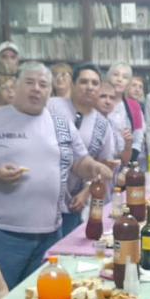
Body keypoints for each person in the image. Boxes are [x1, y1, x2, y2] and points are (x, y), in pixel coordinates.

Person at [0, 64, 113, 284]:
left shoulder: (60, 124)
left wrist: (94, 168)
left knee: (43, 295)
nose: (36, 89)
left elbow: (79, 161)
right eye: (30, 82)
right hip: (3, 234)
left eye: (43, 84)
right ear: (16, 86)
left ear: (50, 91)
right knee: (2, 298)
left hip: (51, 232)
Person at [47, 63, 117, 234]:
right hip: (43, 197)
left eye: (94, 83)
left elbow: (105, 166)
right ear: (73, 84)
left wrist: (86, 192)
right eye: (84, 82)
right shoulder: (52, 106)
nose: (89, 87)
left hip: (73, 202)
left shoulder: (102, 125)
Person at [106, 62, 146, 168]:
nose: (119, 79)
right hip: (101, 163)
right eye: (116, 75)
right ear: (108, 78)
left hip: (126, 164)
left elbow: (138, 138)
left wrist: (128, 163)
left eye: (125, 77)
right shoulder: (99, 103)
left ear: (128, 83)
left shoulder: (134, 106)